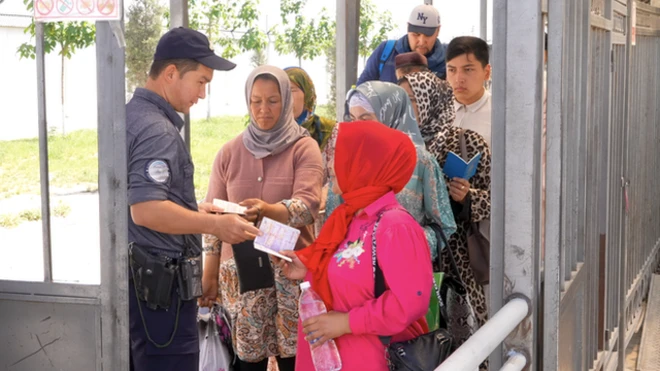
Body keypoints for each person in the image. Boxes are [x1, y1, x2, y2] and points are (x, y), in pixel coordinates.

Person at [126, 27, 261, 371]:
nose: (202, 95)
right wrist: (216, 224)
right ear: (170, 74)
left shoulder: (131, 116)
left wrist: (191, 210)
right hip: (161, 293)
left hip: (142, 286)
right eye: (200, 82)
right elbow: (146, 210)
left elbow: (140, 199)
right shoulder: (157, 129)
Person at [278, 121, 433, 371]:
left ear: (365, 163)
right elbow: (348, 276)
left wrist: (347, 323)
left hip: (379, 361)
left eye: (341, 155)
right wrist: (307, 268)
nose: (330, 164)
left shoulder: (395, 225)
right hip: (342, 359)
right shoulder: (349, 217)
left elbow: (410, 302)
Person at [200, 65, 324, 371]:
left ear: (286, 102)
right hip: (243, 279)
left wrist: (267, 210)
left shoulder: (303, 147)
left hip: (289, 272)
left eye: (272, 101)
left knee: (295, 358)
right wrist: (209, 277)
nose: (263, 109)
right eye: (256, 101)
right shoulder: (228, 153)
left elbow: (307, 206)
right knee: (248, 362)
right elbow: (212, 217)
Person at [399, 70, 492, 347]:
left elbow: (493, 199)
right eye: (401, 99)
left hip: (454, 262)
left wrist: (467, 197)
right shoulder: (395, 145)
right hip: (406, 261)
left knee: (461, 345)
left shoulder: (467, 141)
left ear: (432, 100)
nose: (406, 107)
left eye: (413, 99)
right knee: (415, 348)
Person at [327, 81, 457, 260]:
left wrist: (403, 242)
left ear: (392, 115)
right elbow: (333, 220)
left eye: (365, 119)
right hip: (354, 269)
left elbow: (445, 226)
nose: (357, 127)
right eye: (351, 119)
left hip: (404, 270)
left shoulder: (421, 162)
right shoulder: (347, 159)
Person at [357, 4, 448, 85]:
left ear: (438, 30)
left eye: (428, 35)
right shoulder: (386, 52)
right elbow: (360, 93)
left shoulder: (449, 58)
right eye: (416, 34)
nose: (421, 41)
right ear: (408, 27)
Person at [445, 36, 492, 146]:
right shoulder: (435, 112)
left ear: (486, 72)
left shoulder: (499, 114)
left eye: (468, 70)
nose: (458, 79)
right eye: (452, 70)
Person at [284, 66, 336, 151]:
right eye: (280, 91)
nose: (285, 97)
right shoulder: (266, 136)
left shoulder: (330, 132)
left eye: (291, 90)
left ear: (307, 95)